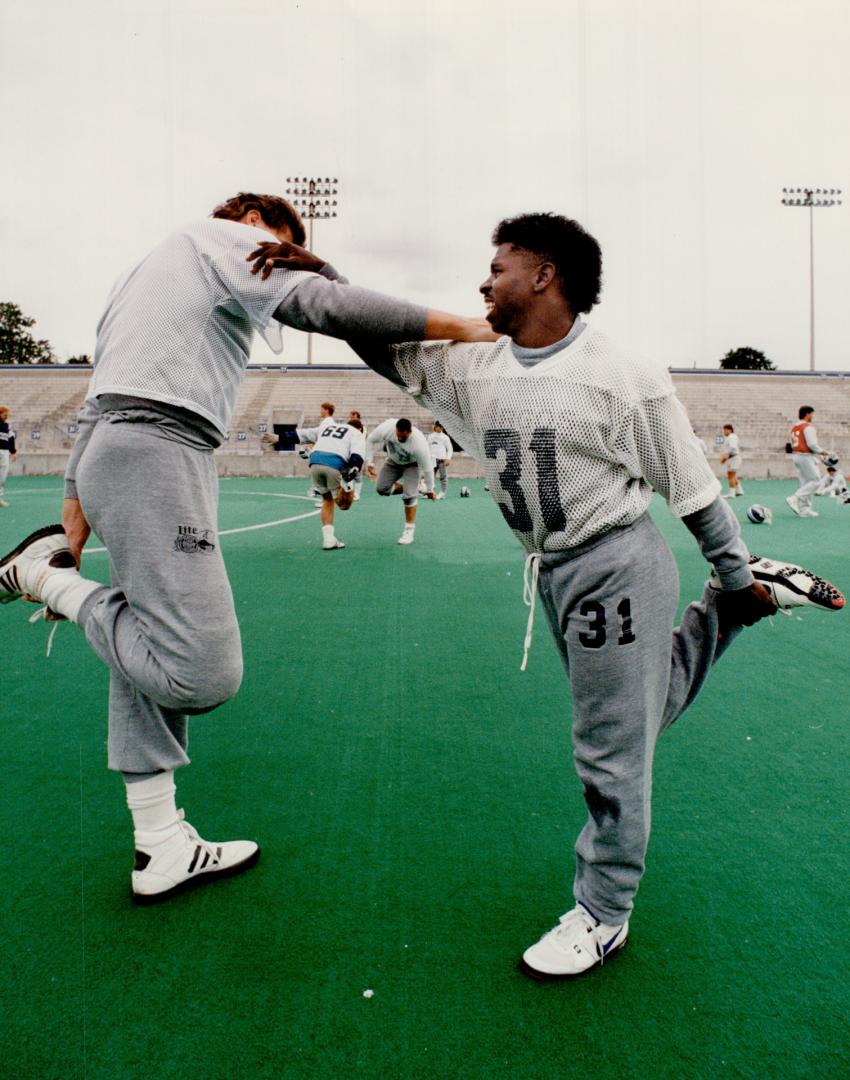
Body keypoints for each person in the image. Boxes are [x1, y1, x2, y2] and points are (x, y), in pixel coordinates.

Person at [249, 212, 845, 978]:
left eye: (497, 266)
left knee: (611, 750)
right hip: (558, 570)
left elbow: (693, 490)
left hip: (615, 564)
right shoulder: (477, 363)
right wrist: (324, 273)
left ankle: (604, 912)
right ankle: (726, 614)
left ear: (544, 275)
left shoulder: (622, 372)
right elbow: (375, 339)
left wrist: (733, 569)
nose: (482, 280)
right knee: (637, 715)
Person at [0, 191, 492, 905]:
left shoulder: (141, 275)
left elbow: (95, 406)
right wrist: (469, 327)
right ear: (252, 223)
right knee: (201, 674)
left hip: (127, 447)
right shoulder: (224, 238)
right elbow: (328, 307)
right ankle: (41, 581)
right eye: (279, 244)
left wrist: (71, 519)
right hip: (159, 447)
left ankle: (159, 842)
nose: (279, 260)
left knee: (149, 639)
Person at [289, 415, 366, 549]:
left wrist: (279, 438)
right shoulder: (356, 433)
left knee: (327, 500)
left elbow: (301, 434)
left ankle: (329, 539)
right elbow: (357, 455)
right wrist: (354, 467)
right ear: (360, 428)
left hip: (314, 462)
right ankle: (347, 485)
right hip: (334, 463)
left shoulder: (328, 427)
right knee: (344, 505)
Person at [365, 417, 436, 544]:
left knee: (409, 497)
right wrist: (369, 462)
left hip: (412, 464)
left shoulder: (419, 443)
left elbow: (428, 469)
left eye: (403, 437)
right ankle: (415, 488)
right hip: (393, 461)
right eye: (398, 436)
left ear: (409, 432)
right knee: (381, 489)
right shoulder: (387, 428)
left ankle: (409, 531)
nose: (400, 439)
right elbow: (370, 440)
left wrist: (430, 489)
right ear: (395, 430)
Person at [787, 406, 829, 518]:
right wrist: (822, 451)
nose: (812, 416)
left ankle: (804, 509)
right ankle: (794, 498)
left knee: (805, 483)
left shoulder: (795, 427)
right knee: (816, 481)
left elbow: (791, 444)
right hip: (805, 456)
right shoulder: (808, 427)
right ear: (807, 414)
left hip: (796, 455)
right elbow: (812, 444)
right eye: (811, 414)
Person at [427, 420, 453, 499]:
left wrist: (448, 458)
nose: (438, 428)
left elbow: (450, 449)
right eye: (437, 426)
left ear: (442, 428)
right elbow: (427, 448)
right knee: (431, 476)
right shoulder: (431, 436)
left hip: (442, 460)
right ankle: (431, 492)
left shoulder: (445, 437)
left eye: (440, 427)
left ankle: (443, 492)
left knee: (443, 477)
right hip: (432, 459)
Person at [719, 424, 744, 497]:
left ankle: (731, 493)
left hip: (734, 458)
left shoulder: (731, 437)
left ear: (729, 430)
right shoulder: (732, 437)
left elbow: (733, 448)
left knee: (730, 475)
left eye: (725, 430)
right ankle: (739, 490)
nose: (724, 432)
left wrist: (726, 456)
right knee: (733, 475)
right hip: (734, 458)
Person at [0, 405, 17, 508]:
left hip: (5, 452)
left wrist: (13, 452)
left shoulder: (7, 426)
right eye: (4, 414)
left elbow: (11, 439)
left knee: (2, 475)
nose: (6, 416)